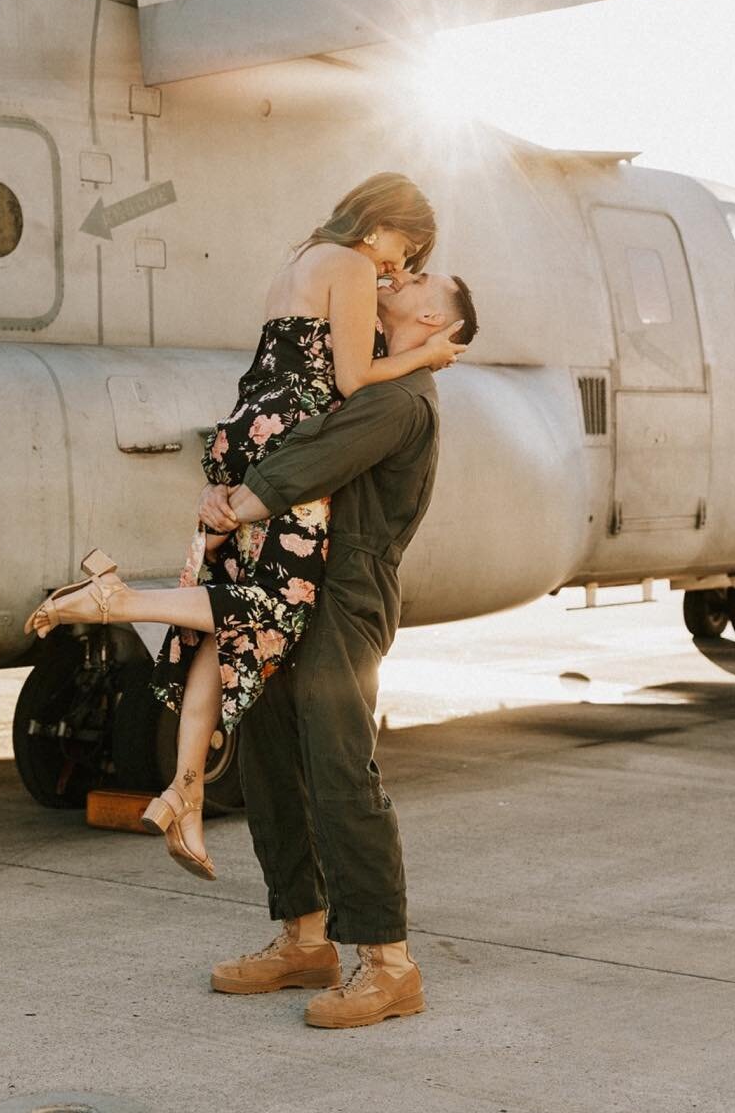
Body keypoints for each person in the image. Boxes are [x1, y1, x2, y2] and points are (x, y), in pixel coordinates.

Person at [23, 174, 465, 882]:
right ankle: (117, 600)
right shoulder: (350, 264)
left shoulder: (300, 260)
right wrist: (426, 356)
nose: (395, 268)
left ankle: (184, 792)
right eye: (402, 250)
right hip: (289, 443)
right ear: (382, 224)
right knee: (275, 606)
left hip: (246, 429)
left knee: (222, 626)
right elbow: (351, 380)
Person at [199, 265, 478, 1028]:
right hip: (296, 578)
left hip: (347, 590)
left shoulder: (398, 400)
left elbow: (308, 464)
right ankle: (305, 939)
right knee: (271, 753)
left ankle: (389, 964)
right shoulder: (361, 379)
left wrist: (237, 505)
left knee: (338, 766)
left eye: (427, 280)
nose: (404, 274)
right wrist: (223, 488)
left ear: (436, 323)